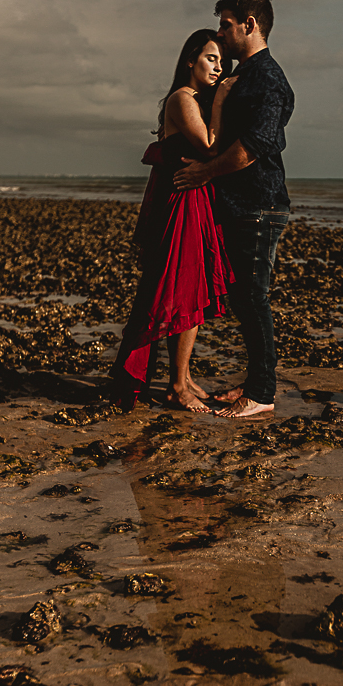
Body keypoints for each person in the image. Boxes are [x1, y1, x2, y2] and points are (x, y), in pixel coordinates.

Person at [174, 0, 294, 418]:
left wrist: (205, 172)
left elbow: (254, 146)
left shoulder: (267, 78)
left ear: (250, 25)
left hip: (258, 204)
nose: (221, 34)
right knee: (244, 298)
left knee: (252, 298)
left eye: (226, 25)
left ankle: (261, 393)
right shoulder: (243, 74)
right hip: (241, 203)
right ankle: (256, 382)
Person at [109, 29, 235, 411]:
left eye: (221, 60)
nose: (219, 66)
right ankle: (177, 385)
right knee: (181, 290)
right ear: (190, 61)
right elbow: (210, 144)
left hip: (193, 198)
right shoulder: (183, 99)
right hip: (182, 202)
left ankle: (182, 377)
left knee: (188, 289)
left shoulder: (194, 99)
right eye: (211, 58)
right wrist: (222, 101)